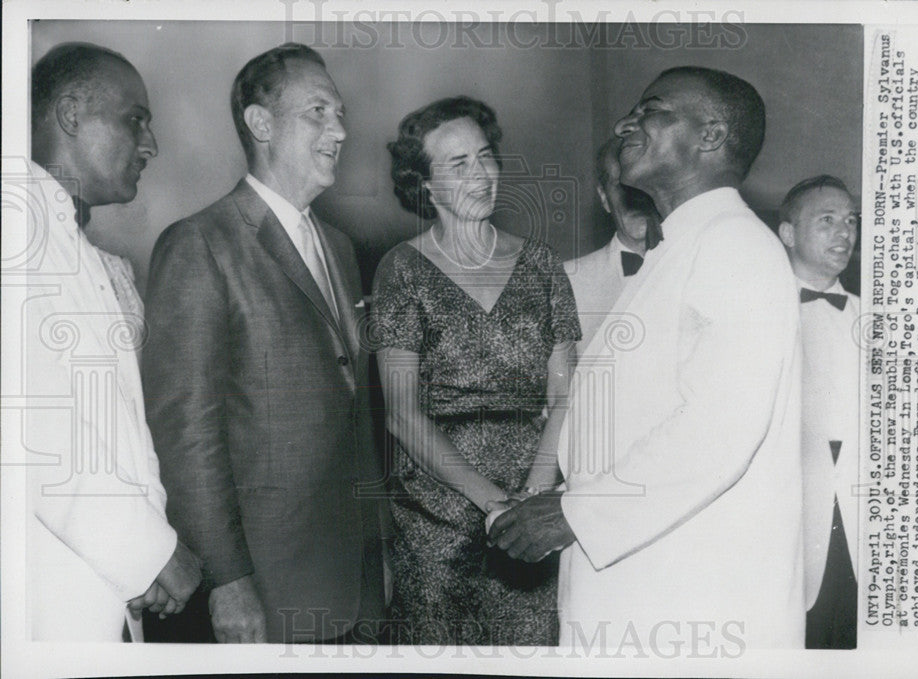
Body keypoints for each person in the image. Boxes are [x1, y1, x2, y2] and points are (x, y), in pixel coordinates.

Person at [490, 66, 806, 650]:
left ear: (710, 136)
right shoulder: (682, 247)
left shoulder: (734, 246)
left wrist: (577, 515)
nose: (622, 123)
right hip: (646, 580)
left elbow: (719, 427)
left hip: (689, 600)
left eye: (649, 110)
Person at [142, 43, 388, 644]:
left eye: (341, 114)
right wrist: (227, 580)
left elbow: (356, 416)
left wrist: (375, 550)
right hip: (264, 588)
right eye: (318, 113)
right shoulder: (200, 244)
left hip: (350, 581)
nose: (340, 130)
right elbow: (187, 435)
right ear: (260, 123)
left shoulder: (340, 246)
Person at [371, 96, 581, 645]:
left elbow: (565, 395)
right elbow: (402, 415)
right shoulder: (401, 270)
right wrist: (491, 501)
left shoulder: (541, 264)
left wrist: (533, 495)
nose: (481, 174)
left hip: (530, 511)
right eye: (458, 163)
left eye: (485, 156)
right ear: (424, 184)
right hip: (438, 516)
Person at [25, 42, 201, 641]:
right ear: (71, 115)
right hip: (45, 598)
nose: (150, 144)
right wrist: (151, 553)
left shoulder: (72, 245)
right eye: (135, 120)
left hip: (100, 588)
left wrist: (143, 558)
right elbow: (36, 433)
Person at [777, 175, 860, 649]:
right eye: (827, 220)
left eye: (850, 221)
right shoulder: (759, 311)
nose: (844, 233)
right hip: (789, 520)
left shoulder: (876, 319)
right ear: (788, 233)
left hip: (860, 524)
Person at [564, 137, 661, 353]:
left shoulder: (704, 268)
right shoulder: (567, 282)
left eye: (645, 185)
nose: (636, 198)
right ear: (604, 197)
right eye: (623, 186)